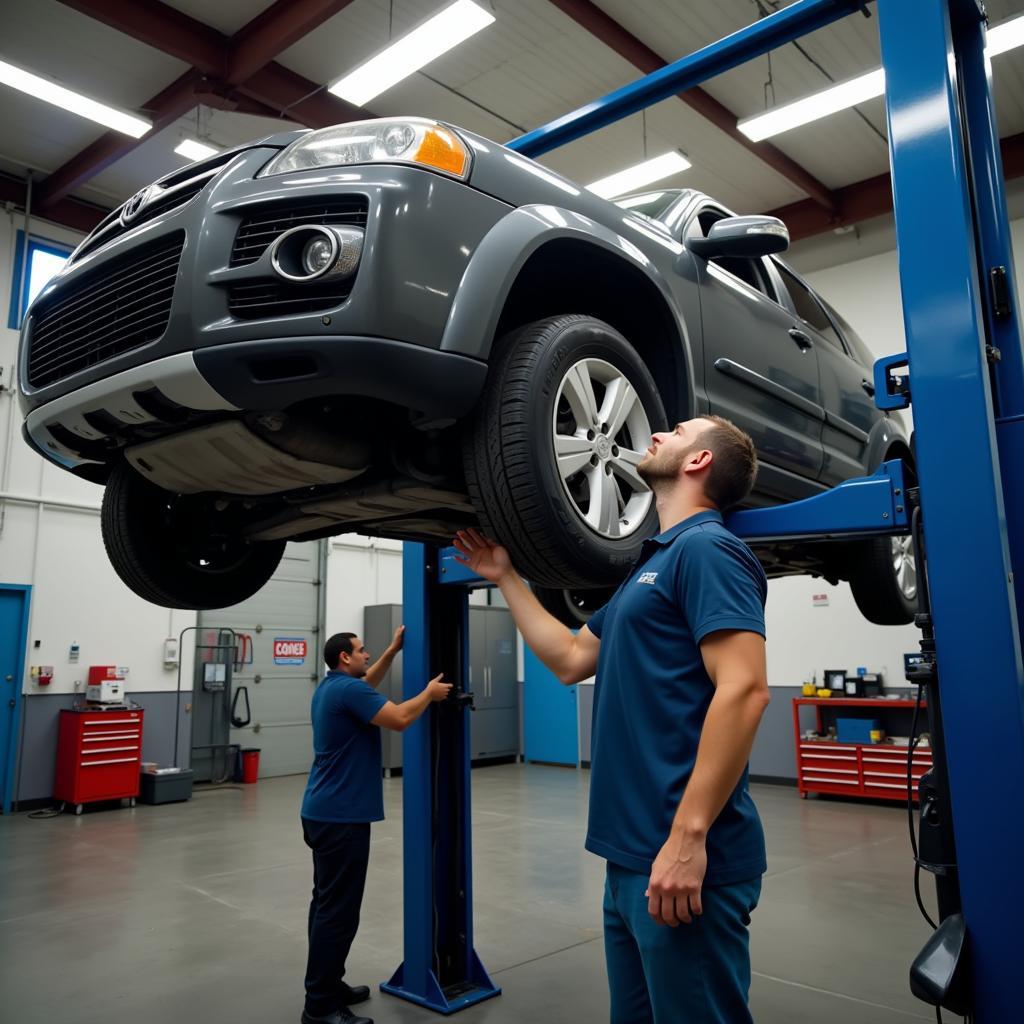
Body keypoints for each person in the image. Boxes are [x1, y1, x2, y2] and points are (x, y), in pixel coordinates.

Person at [454, 415, 771, 1024]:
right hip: (630, 857)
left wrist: (687, 838)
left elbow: (746, 689)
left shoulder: (710, 549)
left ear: (699, 462)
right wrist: (507, 579)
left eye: (678, 431)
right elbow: (573, 658)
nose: (658, 432)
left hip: (684, 860)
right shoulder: (649, 567)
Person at [301, 626, 451, 1024]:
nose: (367, 655)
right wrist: (430, 696)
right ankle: (320, 1008)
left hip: (321, 813)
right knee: (338, 914)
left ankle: (328, 985)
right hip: (341, 818)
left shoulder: (332, 688)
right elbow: (400, 718)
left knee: (326, 907)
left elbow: (369, 681)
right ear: (344, 658)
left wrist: (391, 651)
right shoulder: (350, 692)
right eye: (361, 650)